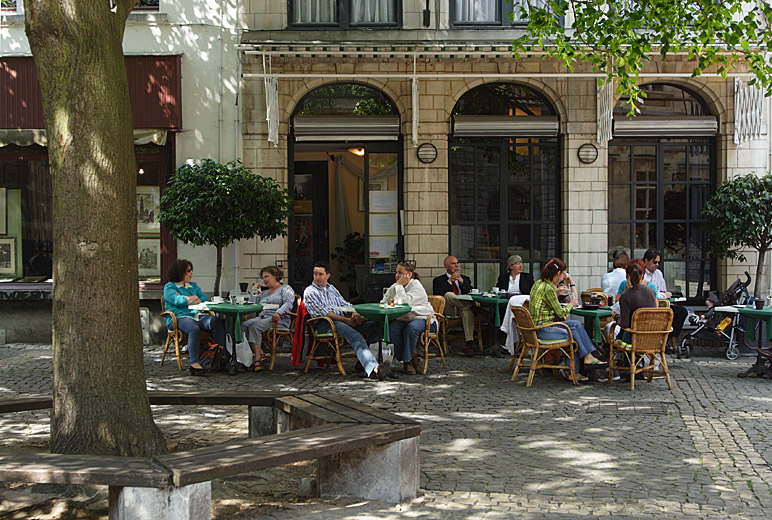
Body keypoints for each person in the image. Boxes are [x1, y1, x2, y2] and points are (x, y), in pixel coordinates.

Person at [303, 261, 390, 380]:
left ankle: (364, 361)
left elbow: (345, 304)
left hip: (342, 321)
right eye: (315, 274)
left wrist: (354, 313)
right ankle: (374, 369)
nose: (317, 277)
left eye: (320, 274)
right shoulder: (310, 291)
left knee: (376, 326)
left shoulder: (332, 289)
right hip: (325, 323)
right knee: (356, 336)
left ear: (328, 276)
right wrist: (346, 320)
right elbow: (325, 313)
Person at [529, 258, 607, 382]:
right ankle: (573, 370)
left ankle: (586, 357)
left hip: (535, 328)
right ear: (558, 273)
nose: (563, 277)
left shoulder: (539, 283)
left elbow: (546, 298)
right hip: (542, 330)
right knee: (574, 334)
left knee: (575, 325)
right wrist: (570, 304)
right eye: (563, 274)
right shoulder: (549, 288)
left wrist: (556, 292)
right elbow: (560, 312)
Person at [162, 259, 226, 376]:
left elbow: (204, 298)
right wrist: (193, 298)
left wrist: (188, 298)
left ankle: (222, 356)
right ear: (179, 272)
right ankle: (194, 364)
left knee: (216, 321)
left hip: (197, 315)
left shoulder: (193, 285)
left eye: (191, 270)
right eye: (188, 271)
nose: (191, 273)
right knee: (193, 328)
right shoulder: (169, 287)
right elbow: (177, 301)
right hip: (178, 318)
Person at [381, 262, 436, 375]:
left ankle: (407, 362)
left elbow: (404, 303)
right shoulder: (395, 286)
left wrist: (400, 286)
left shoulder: (416, 286)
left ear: (409, 275)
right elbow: (384, 301)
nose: (397, 275)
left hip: (423, 318)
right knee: (392, 330)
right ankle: (412, 357)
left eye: (400, 273)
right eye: (396, 272)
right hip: (404, 318)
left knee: (411, 329)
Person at [242, 266, 296, 371]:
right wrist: (255, 291)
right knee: (243, 326)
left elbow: (288, 303)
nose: (264, 280)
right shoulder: (264, 292)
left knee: (254, 327)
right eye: (263, 278)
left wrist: (278, 313)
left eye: (266, 276)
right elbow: (252, 304)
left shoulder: (285, 289)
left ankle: (257, 360)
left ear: (275, 276)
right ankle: (261, 354)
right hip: (263, 317)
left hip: (278, 319)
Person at [432, 255, 478, 357]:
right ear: (446, 266)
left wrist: (461, 282)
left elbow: (470, 292)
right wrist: (449, 282)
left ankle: (469, 344)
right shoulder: (438, 280)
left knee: (467, 313)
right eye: (453, 263)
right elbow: (438, 295)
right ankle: (468, 305)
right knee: (448, 294)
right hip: (449, 310)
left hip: (461, 310)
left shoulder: (465, 279)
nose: (456, 265)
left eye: (457, 263)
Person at [642, 248, 688, 343]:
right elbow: (648, 295)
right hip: (647, 306)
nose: (657, 265)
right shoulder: (642, 274)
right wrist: (662, 295)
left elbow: (663, 290)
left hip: (661, 304)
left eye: (658, 262)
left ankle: (670, 337)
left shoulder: (658, 273)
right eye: (655, 262)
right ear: (646, 261)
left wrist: (664, 295)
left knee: (681, 312)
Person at [611, 262, 658, 344]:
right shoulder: (651, 291)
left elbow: (624, 324)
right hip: (652, 337)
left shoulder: (626, 296)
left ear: (626, 276)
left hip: (633, 339)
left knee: (620, 334)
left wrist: (616, 317)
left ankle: (627, 357)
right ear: (642, 276)